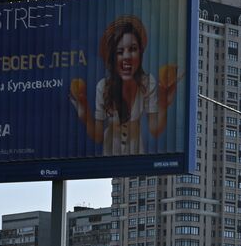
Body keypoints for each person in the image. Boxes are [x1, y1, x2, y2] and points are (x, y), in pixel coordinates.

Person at [69, 15, 178, 156]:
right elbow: (98, 135)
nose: (126, 57)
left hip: (136, 151)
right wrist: (84, 114)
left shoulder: (147, 82)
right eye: (120, 52)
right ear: (113, 58)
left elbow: (155, 130)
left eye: (132, 49)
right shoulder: (103, 87)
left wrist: (163, 104)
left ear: (140, 52)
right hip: (110, 152)